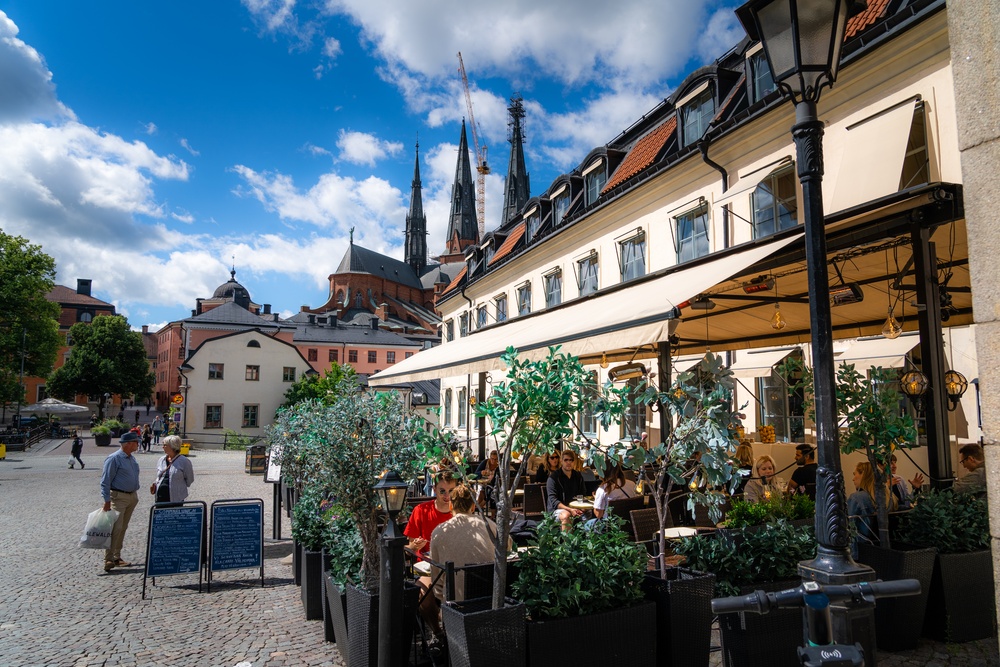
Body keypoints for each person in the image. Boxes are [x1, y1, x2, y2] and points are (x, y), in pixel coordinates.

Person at [99, 430, 141, 573]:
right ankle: (109, 559)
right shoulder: (114, 458)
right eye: (136, 442)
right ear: (128, 444)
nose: (138, 445)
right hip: (118, 497)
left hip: (131, 497)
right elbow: (105, 481)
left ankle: (117, 556)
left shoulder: (131, 458)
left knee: (122, 527)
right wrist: (106, 500)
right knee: (115, 528)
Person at [847, 461, 897, 553]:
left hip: (862, 550)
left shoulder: (857, 498)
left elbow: (848, 528)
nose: (853, 479)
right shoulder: (889, 498)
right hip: (888, 550)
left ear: (863, 475)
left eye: (855, 474)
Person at [405, 472, 455, 557]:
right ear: (434, 489)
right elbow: (408, 550)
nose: (447, 495)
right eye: (442, 491)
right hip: (426, 565)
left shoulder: (460, 512)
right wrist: (414, 546)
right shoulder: (421, 510)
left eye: (451, 491)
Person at [546, 450, 588, 528]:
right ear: (561, 461)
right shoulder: (554, 477)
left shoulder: (578, 476)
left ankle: (586, 539)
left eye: (571, 460)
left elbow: (583, 494)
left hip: (575, 508)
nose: (569, 462)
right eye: (566, 460)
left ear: (574, 462)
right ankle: (568, 540)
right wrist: (570, 509)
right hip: (556, 510)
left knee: (590, 512)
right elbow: (554, 501)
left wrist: (581, 508)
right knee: (566, 515)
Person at [150, 435, 195, 503]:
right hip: (160, 497)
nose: (163, 447)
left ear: (172, 446)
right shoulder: (161, 460)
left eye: (165, 445)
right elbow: (158, 476)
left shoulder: (184, 461)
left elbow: (189, 479)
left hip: (176, 497)